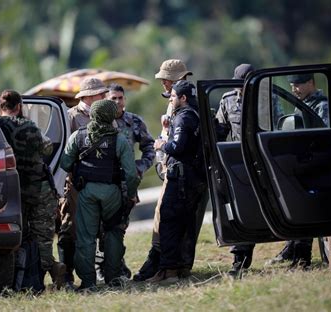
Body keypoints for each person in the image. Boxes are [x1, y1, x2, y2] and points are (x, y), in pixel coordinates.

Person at [134, 59, 207, 281]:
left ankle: (170, 267)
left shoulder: (186, 108)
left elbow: (179, 145)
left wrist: (161, 145)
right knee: (171, 219)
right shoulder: (181, 104)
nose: (164, 84)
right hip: (176, 170)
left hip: (183, 173)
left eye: (167, 80)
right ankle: (167, 266)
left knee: (172, 220)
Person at [60, 99, 140, 290]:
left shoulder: (77, 137)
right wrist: (130, 194)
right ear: (111, 116)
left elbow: (64, 163)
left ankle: (88, 283)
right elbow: (130, 173)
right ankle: (113, 278)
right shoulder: (119, 139)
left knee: (86, 237)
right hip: (112, 192)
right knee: (113, 232)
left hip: (86, 192)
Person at [0, 89, 66, 290]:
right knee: (42, 237)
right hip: (39, 188)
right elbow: (47, 149)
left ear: (1, 107)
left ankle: (19, 279)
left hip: (10, 189)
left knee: (18, 236)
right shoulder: (30, 126)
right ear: (19, 107)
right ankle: (49, 270)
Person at [94, 83, 156, 282]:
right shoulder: (100, 122)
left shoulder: (134, 122)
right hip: (104, 183)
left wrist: (140, 167)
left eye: (120, 98)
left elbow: (150, 147)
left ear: (125, 100)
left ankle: (116, 266)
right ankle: (106, 267)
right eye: (113, 98)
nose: (118, 102)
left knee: (119, 227)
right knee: (102, 227)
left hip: (126, 184)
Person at [265, 73, 328, 267]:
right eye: (292, 85)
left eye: (298, 85)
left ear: (311, 83)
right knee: (297, 208)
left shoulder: (322, 105)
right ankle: (292, 249)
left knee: (305, 211)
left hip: (316, 165)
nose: (294, 89)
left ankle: (302, 259)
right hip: (302, 163)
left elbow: (323, 135)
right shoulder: (304, 102)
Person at [58, 78, 109, 288]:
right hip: (76, 183)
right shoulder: (70, 117)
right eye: (100, 94)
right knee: (70, 228)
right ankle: (66, 275)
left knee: (101, 227)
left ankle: (99, 272)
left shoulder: (106, 114)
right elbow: (64, 152)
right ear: (88, 96)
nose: (104, 97)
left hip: (101, 181)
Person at [214, 64, 257, 277]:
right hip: (239, 161)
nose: (241, 88)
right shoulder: (227, 99)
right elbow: (221, 130)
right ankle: (240, 257)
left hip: (263, 159)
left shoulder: (266, 96)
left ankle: (298, 250)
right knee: (241, 208)